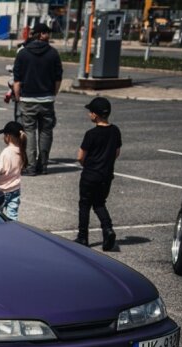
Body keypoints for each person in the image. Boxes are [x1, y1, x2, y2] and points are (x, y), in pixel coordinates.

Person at [13, 22, 63, 176]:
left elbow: (17, 80)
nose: (49, 35)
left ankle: (32, 166)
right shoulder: (53, 53)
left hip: (28, 99)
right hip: (47, 99)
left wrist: (18, 97)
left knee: (29, 131)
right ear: (41, 34)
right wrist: (52, 94)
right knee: (46, 132)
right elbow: (58, 79)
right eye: (47, 32)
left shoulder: (23, 53)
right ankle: (44, 165)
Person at [75, 97, 121, 250]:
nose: (89, 114)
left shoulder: (91, 134)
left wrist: (86, 164)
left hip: (90, 175)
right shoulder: (115, 131)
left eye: (90, 112)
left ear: (95, 115)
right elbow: (116, 152)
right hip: (106, 176)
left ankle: (83, 237)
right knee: (100, 203)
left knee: (84, 204)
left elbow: (80, 156)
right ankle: (108, 229)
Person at [0, 121, 27, 220]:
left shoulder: (7, 152)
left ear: (8, 136)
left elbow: (0, 169)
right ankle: (12, 232)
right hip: (16, 189)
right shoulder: (21, 150)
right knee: (12, 216)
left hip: (3, 191)